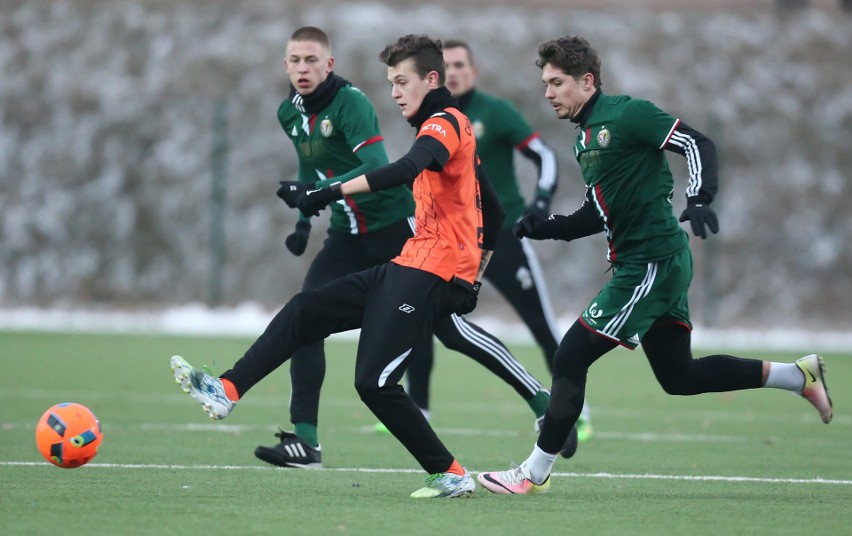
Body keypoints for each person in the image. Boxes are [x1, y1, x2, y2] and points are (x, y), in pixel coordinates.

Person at [171, 33, 551, 498]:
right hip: (413, 265)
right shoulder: (446, 125)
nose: (393, 92)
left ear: (431, 80)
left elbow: (402, 169)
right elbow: (491, 209)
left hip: (428, 272)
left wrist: (326, 192)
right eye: (390, 82)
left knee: (374, 382)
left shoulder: (444, 122)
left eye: (401, 81)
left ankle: (452, 471)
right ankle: (226, 390)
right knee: (306, 309)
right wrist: (476, 272)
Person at [477, 35, 833, 495]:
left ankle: (532, 474)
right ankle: (796, 375)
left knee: (570, 355)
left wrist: (700, 197)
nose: (548, 92)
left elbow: (694, 142)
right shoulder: (586, 140)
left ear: (587, 82)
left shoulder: (627, 114)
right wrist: (548, 227)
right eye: (545, 83)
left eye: (557, 82)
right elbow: (596, 213)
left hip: (651, 262)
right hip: (653, 262)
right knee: (678, 377)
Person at [401, 39, 593, 443]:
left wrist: (541, 201)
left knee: (539, 322)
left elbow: (543, 154)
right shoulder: (430, 117)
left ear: (473, 70)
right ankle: (418, 407)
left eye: (460, 64)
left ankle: (574, 406)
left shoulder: (496, 111)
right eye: (446, 65)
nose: (453, 72)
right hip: (453, 240)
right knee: (427, 318)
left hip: (502, 235)